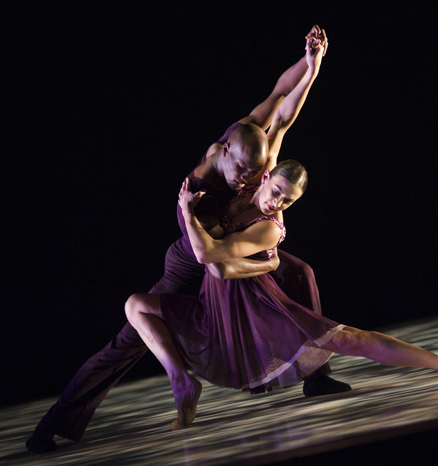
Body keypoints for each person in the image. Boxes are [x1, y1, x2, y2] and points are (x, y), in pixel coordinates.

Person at [26, 25, 347, 454]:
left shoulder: (254, 148)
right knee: (128, 341)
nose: (250, 181)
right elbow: (213, 260)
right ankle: (55, 421)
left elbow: (281, 104)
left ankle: (315, 373)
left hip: (228, 250)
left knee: (302, 272)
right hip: (194, 258)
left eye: (257, 174)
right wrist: (266, 262)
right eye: (242, 173)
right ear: (223, 151)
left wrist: (312, 65)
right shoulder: (200, 186)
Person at [126, 155, 438, 428]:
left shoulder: (270, 227)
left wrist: (187, 214)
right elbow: (278, 113)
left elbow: (211, 258)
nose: (277, 202)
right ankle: (181, 380)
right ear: (267, 176)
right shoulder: (243, 191)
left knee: (349, 339)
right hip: (215, 307)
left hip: (256, 305)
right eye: (275, 191)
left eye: (287, 201)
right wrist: (311, 65)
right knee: (135, 305)